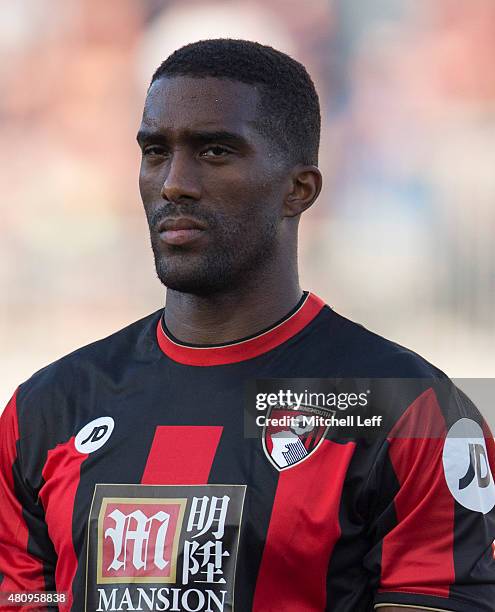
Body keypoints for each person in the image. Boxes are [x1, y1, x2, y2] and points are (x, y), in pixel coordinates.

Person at [0, 39, 494, 612]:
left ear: (298, 190)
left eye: (214, 151)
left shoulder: (412, 412)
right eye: (155, 151)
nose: (173, 183)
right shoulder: (46, 410)